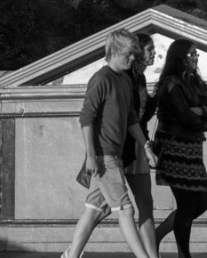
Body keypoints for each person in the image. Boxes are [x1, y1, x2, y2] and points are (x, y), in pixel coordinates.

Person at [62, 29, 158, 258]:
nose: (133, 58)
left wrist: (146, 147)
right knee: (126, 210)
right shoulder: (101, 79)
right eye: (129, 53)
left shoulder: (125, 80)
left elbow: (131, 118)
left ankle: (70, 256)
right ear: (114, 52)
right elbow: (86, 118)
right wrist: (91, 156)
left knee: (94, 209)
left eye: (134, 53)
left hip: (115, 155)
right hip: (104, 157)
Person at [153, 39, 207, 258]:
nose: (195, 58)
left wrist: (200, 112)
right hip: (174, 146)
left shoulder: (196, 82)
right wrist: (202, 118)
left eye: (196, 54)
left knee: (201, 204)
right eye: (191, 54)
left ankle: (156, 235)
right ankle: (184, 254)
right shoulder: (171, 83)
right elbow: (183, 115)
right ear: (179, 57)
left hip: (193, 148)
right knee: (187, 204)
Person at [122, 33, 158, 257]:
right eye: (149, 49)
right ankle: (72, 251)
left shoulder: (141, 78)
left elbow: (142, 116)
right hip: (121, 146)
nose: (154, 53)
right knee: (100, 208)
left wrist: (155, 97)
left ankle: (152, 255)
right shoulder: (124, 76)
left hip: (139, 142)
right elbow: (128, 116)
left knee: (145, 201)